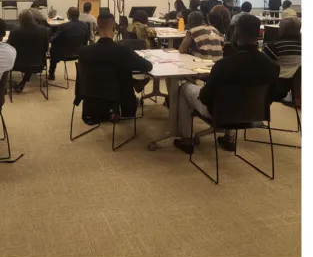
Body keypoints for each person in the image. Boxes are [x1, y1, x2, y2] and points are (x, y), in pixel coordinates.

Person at [173, 15, 279, 154]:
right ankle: (229, 138)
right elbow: (271, 96)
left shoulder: (223, 66)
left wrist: (211, 80)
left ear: (236, 33)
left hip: (220, 113)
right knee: (237, 96)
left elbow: (205, 98)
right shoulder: (272, 66)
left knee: (184, 88)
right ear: (259, 34)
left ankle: (186, 139)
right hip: (256, 115)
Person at [76, 14, 153, 122]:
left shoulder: (83, 51)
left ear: (97, 28)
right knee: (121, 68)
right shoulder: (123, 51)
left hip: (91, 101)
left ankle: (134, 83)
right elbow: (147, 66)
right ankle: (134, 83)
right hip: (118, 101)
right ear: (114, 28)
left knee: (114, 69)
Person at [7, 10, 49, 92]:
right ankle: (22, 82)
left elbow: (8, 49)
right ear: (32, 19)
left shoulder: (15, 32)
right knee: (31, 57)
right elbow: (46, 49)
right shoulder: (44, 30)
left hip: (17, 65)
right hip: (38, 64)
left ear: (20, 20)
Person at [263, 17, 301, 101]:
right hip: (298, 87)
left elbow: (263, 66)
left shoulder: (273, 47)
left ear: (284, 30)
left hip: (276, 87)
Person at [48, 7, 90, 80]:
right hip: (79, 53)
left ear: (69, 15)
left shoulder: (63, 26)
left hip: (64, 54)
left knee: (53, 49)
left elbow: (53, 40)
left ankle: (51, 74)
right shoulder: (85, 26)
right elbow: (86, 40)